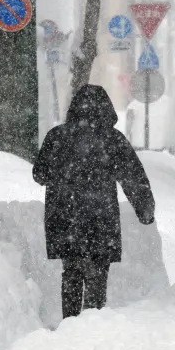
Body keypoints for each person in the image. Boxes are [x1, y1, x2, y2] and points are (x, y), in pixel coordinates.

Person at [33, 85, 155, 320]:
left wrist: (63, 174)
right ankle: (92, 323)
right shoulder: (112, 139)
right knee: (97, 273)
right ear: (106, 108)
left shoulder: (57, 136)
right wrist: (145, 209)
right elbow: (132, 177)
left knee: (71, 272)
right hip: (100, 219)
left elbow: (40, 174)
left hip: (65, 218)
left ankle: (69, 323)